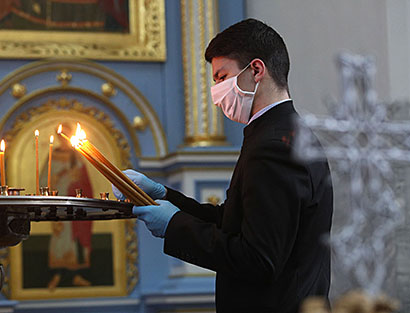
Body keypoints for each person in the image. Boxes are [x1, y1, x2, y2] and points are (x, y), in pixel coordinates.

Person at [114, 19, 333, 313]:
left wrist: (174, 226)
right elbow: (237, 223)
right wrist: (165, 196)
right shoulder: (282, 132)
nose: (216, 93)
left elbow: (258, 259)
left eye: (222, 77)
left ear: (256, 70)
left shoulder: (273, 146)